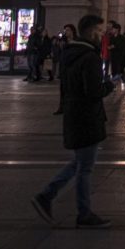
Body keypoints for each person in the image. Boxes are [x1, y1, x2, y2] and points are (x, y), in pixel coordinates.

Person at [31, 13, 115, 229]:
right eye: (99, 31)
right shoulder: (90, 58)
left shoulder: (70, 54)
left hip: (74, 114)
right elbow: (94, 91)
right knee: (85, 168)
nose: (102, 34)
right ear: (90, 32)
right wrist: (110, 85)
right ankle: (81, 212)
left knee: (80, 163)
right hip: (87, 118)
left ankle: (47, 196)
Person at [53, 24, 77, 115]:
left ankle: (72, 107)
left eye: (68, 30)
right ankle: (62, 107)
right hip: (64, 67)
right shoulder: (63, 41)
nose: (66, 32)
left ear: (72, 31)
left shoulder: (76, 41)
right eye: (65, 30)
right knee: (63, 89)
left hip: (73, 68)